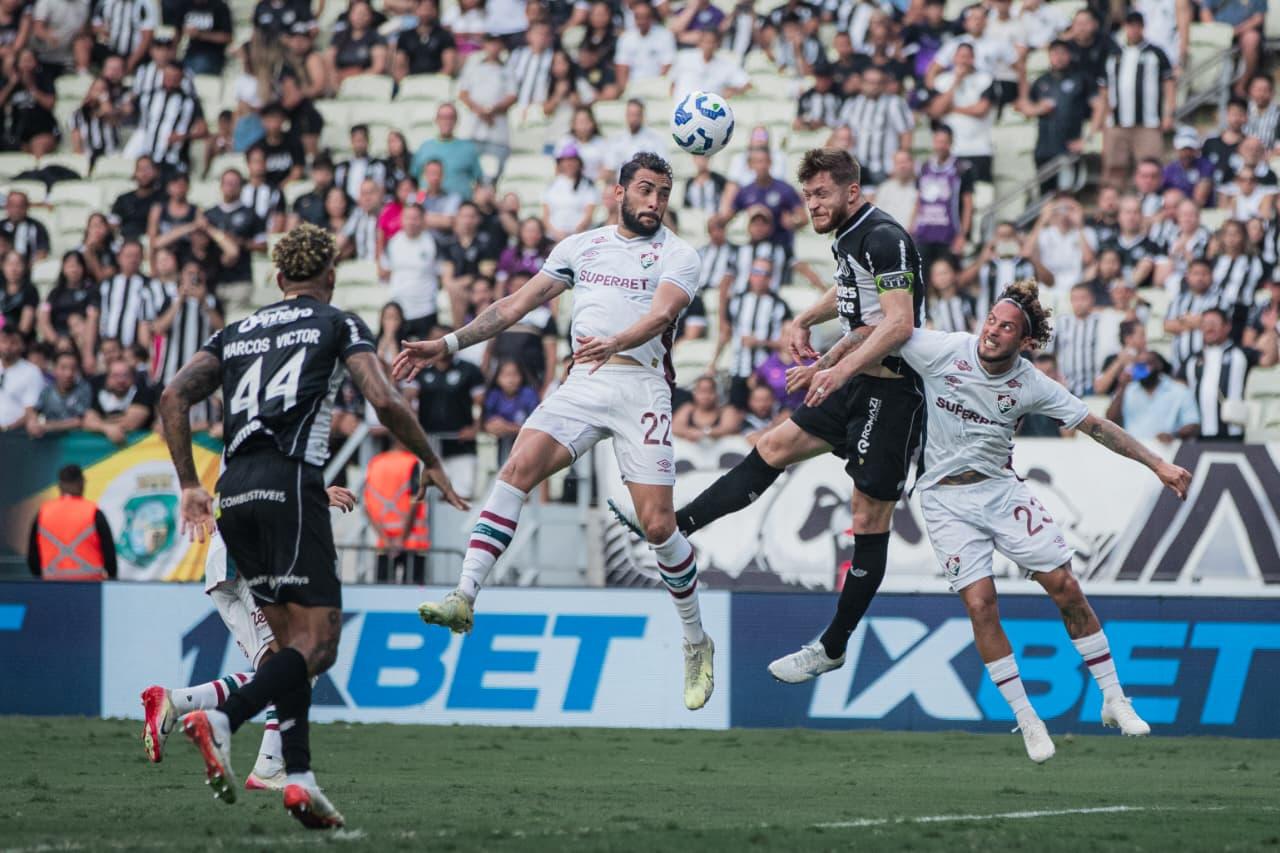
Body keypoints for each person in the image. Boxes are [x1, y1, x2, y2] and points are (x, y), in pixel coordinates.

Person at [154, 223, 465, 828]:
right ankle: (221, 719)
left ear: (277, 277)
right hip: (292, 486)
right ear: (331, 276)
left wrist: (189, 483)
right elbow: (384, 398)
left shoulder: (235, 331)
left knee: (289, 644)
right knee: (318, 644)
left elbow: (172, 396)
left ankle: (297, 778)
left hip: (232, 493)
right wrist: (429, 459)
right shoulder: (337, 322)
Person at [394, 152, 717, 711]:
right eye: (645, 190)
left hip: (641, 386)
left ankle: (695, 640)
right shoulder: (580, 247)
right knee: (516, 468)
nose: (655, 202)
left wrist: (616, 341)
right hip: (585, 379)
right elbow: (513, 306)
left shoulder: (678, 254)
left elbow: (663, 315)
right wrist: (446, 344)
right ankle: (465, 594)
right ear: (619, 192)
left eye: (663, 193)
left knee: (658, 525)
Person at [612, 149, 925, 685]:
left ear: (852, 192)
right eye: (807, 195)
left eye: (822, 194)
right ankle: (677, 527)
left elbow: (900, 323)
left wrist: (835, 369)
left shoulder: (883, 236)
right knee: (773, 446)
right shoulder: (851, 237)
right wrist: (806, 319)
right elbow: (852, 292)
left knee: (868, 517)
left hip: (893, 394)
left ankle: (833, 645)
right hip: (856, 377)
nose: (812, 204)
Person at [886, 279, 1192, 761]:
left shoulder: (1031, 383)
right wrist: (827, 366)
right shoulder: (943, 349)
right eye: (991, 320)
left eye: (1006, 327)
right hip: (944, 501)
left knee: (1065, 586)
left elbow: (1097, 427)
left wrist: (1158, 464)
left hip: (1000, 492)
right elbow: (882, 330)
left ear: (1025, 341)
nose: (992, 330)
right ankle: (1028, 719)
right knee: (981, 604)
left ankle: (1114, 698)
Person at [141, 484, 359, 790]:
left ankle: (174, 702)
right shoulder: (272, 466)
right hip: (244, 563)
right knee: (299, 661)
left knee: (275, 670)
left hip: (227, 564)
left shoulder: (251, 463)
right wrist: (315, 496)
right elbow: (264, 496)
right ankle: (268, 766)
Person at [1090, 11, 1175, 187]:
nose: (1134, 30)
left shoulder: (1156, 53)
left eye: (1137, 26)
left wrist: (1169, 113)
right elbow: (1104, 91)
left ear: (1143, 28)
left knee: (1150, 167)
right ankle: (1114, 200)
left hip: (1148, 122)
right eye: (1130, 26)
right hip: (1117, 122)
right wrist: (1099, 121)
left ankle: (1149, 200)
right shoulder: (1113, 54)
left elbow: (1169, 85)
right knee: (1114, 168)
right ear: (1125, 27)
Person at [413, 325, 485, 500]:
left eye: (444, 339)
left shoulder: (470, 370)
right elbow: (409, 402)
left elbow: (480, 404)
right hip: (429, 449)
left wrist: (475, 428)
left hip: (461, 447)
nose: (440, 344)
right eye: (435, 339)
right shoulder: (419, 370)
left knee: (462, 499)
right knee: (429, 502)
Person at [1185, 307, 1279, 441]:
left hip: (1234, 434)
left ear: (1227, 327)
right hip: (1199, 435)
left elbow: (1269, 360)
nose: (1209, 328)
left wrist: (1271, 330)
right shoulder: (1192, 359)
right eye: (1205, 324)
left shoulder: (1240, 353)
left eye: (1214, 323)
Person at [26, 464, 117, 580]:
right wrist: (111, 577)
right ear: (81, 483)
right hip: (90, 586)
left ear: (60, 485)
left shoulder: (42, 513)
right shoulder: (93, 512)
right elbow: (109, 555)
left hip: (51, 585)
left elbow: (33, 558)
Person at [364, 442, 429, 584]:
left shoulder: (375, 462)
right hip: (411, 541)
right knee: (414, 592)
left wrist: (384, 538)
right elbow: (415, 501)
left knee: (381, 590)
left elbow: (367, 505)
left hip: (384, 542)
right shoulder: (411, 462)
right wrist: (402, 538)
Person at [1105, 351, 1200, 441]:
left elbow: (1193, 425)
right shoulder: (1127, 390)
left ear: (1159, 365)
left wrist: (1173, 435)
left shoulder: (1179, 391)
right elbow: (1110, 420)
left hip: (1167, 450)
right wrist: (1122, 387)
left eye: (1146, 364)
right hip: (1132, 449)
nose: (1141, 369)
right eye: (1138, 366)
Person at [84, 357, 155, 444]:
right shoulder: (101, 396)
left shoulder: (142, 393)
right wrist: (107, 428)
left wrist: (100, 423)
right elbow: (88, 421)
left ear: (133, 378)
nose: (120, 380)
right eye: (115, 376)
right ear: (107, 379)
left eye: (125, 375)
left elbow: (130, 423)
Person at [482, 358, 540, 464]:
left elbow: (536, 428)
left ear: (522, 376)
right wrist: (492, 426)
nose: (511, 380)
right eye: (506, 375)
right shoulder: (494, 395)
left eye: (514, 375)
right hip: (501, 446)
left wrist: (508, 427)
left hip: (527, 447)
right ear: (497, 378)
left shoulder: (529, 395)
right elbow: (486, 423)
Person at [25, 350, 92, 437]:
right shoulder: (47, 392)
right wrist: (32, 422)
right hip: (51, 442)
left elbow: (80, 420)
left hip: (79, 440)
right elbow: (34, 411)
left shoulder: (84, 388)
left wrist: (48, 426)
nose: (69, 373)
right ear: (54, 369)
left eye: (73, 368)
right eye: (63, 368)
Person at [0, 324, 45, 432]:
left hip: (17, 434)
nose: (8, 347)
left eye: (13, 342)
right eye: (4, 341)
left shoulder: (32, 372)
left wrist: (6, 428)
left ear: (22, 345)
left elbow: (31, 410)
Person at [671, 375, 742, 441]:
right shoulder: (688, 408)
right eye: (702, 392)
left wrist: (706, 432)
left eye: (710, 391)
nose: (706, 396)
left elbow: (729, 428)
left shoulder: (726, 410)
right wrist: (689, 432)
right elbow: (675, 427)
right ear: (695, 393)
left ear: (717, 394)